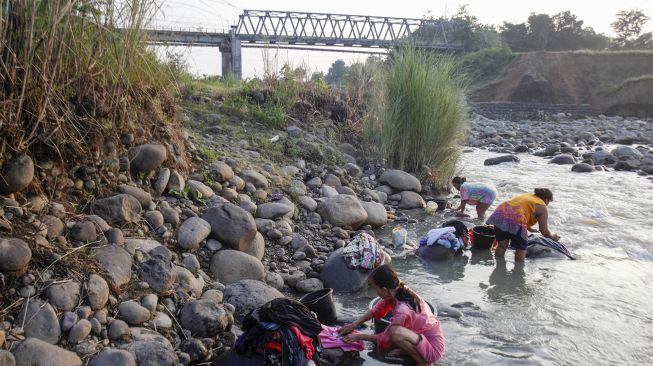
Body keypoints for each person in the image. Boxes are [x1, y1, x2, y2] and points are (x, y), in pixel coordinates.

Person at [338, 264, 445, 366]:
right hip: (421, 338)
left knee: (396, 333)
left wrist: (359, 336)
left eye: (375, 288)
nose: (375, 292)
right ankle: (408, 350)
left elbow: (388, 336)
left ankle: (423, 362)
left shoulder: (402, 310)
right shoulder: (399, 290)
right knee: (396, 331)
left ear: (384, 289)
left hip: (433, 349)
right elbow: (376, 310)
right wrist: (354, 325)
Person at [486, 188, 561, 262]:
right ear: (546, 199)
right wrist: (552, 237)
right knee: (521, 248)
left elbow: (519, 210)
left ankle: (499, 266)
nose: (547, 204)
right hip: (516, 220)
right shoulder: (542, 206)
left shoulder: (527, 196)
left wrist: (530, 229)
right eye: (549, 201)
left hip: (500, 213)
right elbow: (544, 231)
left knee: (502, 245)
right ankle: (518, 271)